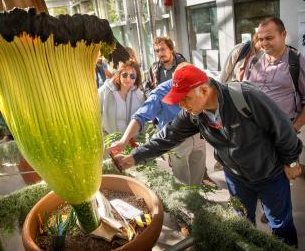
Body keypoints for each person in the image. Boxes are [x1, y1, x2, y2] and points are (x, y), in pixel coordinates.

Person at [114, 64, 302, 247]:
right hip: (236, 176)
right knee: (242, 222)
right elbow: (167, 137)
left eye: (185, 99)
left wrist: (291, 160)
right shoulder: (194, 114)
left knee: (280, 224)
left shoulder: (245, 97)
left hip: (270, 173)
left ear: (203, 90)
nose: (182, 105)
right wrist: (134, 157)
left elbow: (282, 128)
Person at [110, 77, 206, 185]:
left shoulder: (201, 88)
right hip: (174, 140)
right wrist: (125, 141)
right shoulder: (161, 92)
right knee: (183, 182)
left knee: (198, 176)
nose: (183, 104)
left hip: (198, 135)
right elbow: (140, 116)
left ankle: (197, 197)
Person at [243, 17, 305, 176]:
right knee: (257, 176)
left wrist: (293, 129)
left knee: (282, 179)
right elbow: (244, 92)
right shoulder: (254, 60)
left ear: (283, 34)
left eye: (269, 38)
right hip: (255, 131)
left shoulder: (297, 61)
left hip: (283, 131)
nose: (264, 43)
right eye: (261, 39)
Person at [98, 59, 145, 135]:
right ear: (119, 74)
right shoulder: (105, 91)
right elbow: (95, 116)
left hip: (133, 143)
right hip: (109, 142)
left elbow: (143, 120)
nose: (128, 79)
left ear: (137, 77)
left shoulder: (139, 95)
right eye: (124, 75)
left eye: (132, 76)